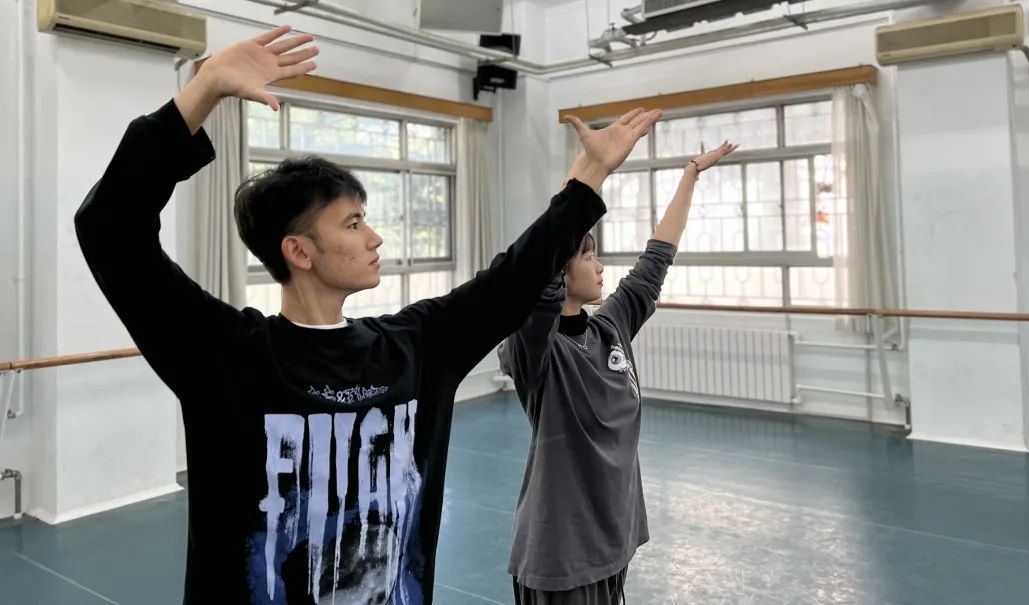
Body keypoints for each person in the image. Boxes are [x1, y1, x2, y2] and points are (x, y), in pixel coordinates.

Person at [74, 25, 661, 605]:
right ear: (299, 251)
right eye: (353, 223)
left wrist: (589, 177)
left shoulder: (415, 347)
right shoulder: (228, 356)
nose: (375, 237)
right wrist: (202, 91)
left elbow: (513, 278)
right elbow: (109, 228)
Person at [500, 140, 739, 604]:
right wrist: (582, 181)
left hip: (613, 539)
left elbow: (656, 260)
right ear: (561, 271)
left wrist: (690, 175)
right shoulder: (537, 351)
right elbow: (541, 279)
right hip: (561, 555)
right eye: (587, 256)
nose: (600, 265)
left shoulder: (611, 328)